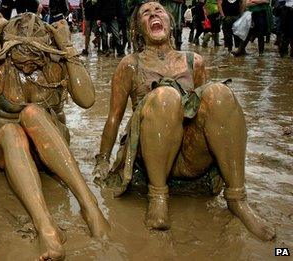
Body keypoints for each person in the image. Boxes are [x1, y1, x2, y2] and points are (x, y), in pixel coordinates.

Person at [93, 1, 275, 241]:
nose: (154, 14)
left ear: (171, 22)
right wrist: (103, 160)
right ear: (138, 29)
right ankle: (158, 197)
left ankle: (237, 199)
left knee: (219, 93)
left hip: (189, 157)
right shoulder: (129, 64)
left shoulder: (194, 61)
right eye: (146, 13)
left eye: (159, 11)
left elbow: (207, 115)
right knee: (166, 96)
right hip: (150, 158)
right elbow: (114, 118)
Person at [0, 12, 110, 260]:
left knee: (33, 113)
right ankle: (45, 226)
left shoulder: (57, 63)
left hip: (50, 148)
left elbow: (88, 100)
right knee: (12, 129)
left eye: (34, 60)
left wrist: (67, 47)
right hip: (9, 150)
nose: (27, 66)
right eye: (20, 60)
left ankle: (90, 205)